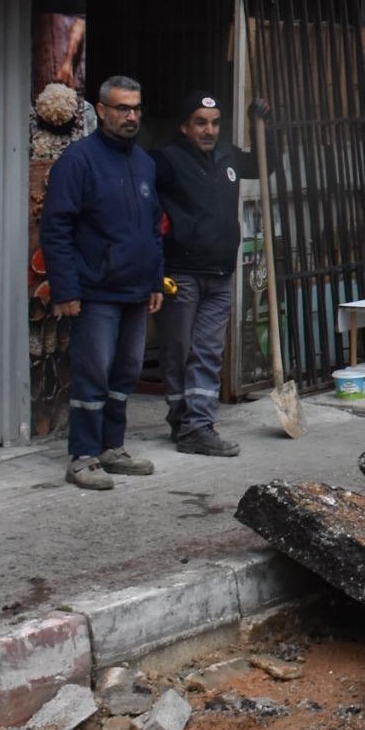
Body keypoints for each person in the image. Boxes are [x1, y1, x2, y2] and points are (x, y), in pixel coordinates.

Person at [39, 75, 164, 490]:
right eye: (122, 108)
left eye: (136, 108)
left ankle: (112, 448)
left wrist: (154, 282)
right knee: (93, 373)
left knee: (125, 373)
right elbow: (56, 229)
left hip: (135, 290)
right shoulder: (78, 161)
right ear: (101, 110)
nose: (131, 116)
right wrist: (66, 290)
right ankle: (83, 456)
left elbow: (151, 229)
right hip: (94, 292)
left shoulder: (144, 162)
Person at [153, 91, 252, 457]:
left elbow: (264, 165)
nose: (209, 130)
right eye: (200, 122)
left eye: (214, 123)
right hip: (181, 273)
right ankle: (184, 422)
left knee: (208, 352)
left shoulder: (228, 156)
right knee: (179, 352)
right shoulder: (165, 161)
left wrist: (264, 128)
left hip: (220, 272)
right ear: (184, 126)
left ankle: (199, 426)